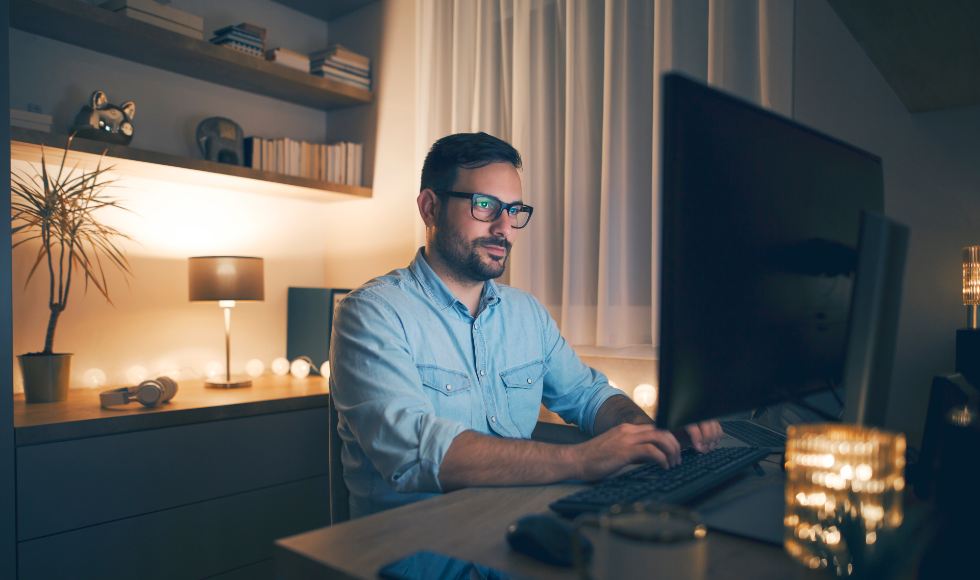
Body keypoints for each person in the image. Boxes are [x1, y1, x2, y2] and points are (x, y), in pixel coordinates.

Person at [330, 132, 722, 518]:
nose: (504, 227)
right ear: (430, 207)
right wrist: (582, 460)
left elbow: (589, 396)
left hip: (510, 531)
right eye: (485, 205)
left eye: (514, 210)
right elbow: (414, 451)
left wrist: (651, 433)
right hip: (409, 551)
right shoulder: (372, 313)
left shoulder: (526, 313)